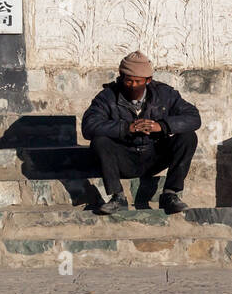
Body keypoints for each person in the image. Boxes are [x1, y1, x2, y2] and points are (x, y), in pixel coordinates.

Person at [82, 50, 201, 215]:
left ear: (148, 80)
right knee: (100, 141)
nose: (132, 85)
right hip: (123, 158)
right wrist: (126, 128)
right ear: (121, 77)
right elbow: (89, 126)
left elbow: (194, 118)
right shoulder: (107, 97)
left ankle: (170, 194)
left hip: (154, 157)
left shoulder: (165, 94)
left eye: (137, 81)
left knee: (188, 136)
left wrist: (162, 126)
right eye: (128, 81)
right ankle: (118, 197)